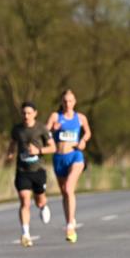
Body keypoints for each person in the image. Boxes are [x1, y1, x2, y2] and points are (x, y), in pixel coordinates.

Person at [45, 89, 91, 243]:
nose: (67, 104)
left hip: (75, 156)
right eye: (65, 101)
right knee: (64, 192)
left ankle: (70, 226)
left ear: (75, 102)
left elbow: (88, 133)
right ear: (61, 102)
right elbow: (44, 133)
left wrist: (83, 141)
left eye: (70, 101)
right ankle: (69, 220)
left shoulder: (80, 118)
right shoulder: (55, 116)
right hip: (59, 158)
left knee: (70, 188)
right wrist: (53, 130)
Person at [8, 101, 55, 247]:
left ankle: (43, 206)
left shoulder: (41, 128)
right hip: (22, 171)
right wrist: (9, 154)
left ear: (35, 113)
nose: (26, 116)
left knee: (39, 200)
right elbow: (12, 144)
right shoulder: (17, 129)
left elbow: (52, 147)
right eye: (23, 113)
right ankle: (25, 234)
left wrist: (38, 151)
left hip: (38, 170)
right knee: (24, 201)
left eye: (29, 113)